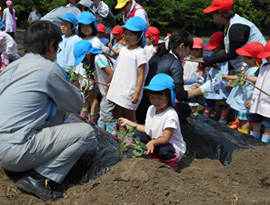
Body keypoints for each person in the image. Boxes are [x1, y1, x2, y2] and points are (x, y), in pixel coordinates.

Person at [0, 20, 97, 201]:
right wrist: (76, 87)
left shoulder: (11, 67)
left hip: (2, 147)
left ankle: (29, 162)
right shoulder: (48, 69)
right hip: (15, 152)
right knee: (86, 133)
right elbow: (76, 105)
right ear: (51, 46)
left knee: (53, 107)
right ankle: (39, 177)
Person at [137, 29, 216, 124]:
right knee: (186, 109)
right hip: (155, 107)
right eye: (188, 49)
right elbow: (181, 95)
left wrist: (187, 81)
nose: (188, 53)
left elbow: (162, 77)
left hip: (142, 107)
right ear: (182, 46)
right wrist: (202, 89)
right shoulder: (175, 62)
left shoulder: (158, 56)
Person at [119, 73, 186, 171]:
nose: (155, 101)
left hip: (170, 145)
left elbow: (166, 138)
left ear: (168, 97)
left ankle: (170, 164)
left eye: (159, 98)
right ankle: (154, 155)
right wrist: (128, 122)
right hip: (155, 140)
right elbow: (146, 129)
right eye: (152, 97)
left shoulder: (170, 115)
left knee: (163, 151)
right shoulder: (151, 109)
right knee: (136, 135)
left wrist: (152, 143)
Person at [106, 16, 148, 133]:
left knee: (130, 117)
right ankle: (122, 138)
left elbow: (141, 75)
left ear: (139, 36)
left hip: (130, 90)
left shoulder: (140, 53)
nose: (127, 37)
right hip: (120, 88)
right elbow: (119, 68)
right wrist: (112, 82)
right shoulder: (123, 50)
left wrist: (137, 92)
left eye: (131, 34)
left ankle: (131, 140)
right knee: (121, 116)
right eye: (126, 33)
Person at [202, 0, 266, 71]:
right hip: (249, 67)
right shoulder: (229, 25)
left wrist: (211, 61)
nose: (213, 17)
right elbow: (226, 51)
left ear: (220, 13)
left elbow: (233, 54)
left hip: (260, 66)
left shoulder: (237, 27)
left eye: (212, 13)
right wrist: (209, 59)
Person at [74, 40, 117, 135]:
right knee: (102, 114)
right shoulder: (94, 61)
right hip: (107, 92)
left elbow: (111, 74)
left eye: (83, 59)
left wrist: (106, 91)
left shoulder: (98, 59)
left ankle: (112, 134)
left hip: (112, 91)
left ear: (88, 55)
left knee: (106, 110)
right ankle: (100, 134)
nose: (83, 62)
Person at [222, 42, 264, 134]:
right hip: (242, 96)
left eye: (245, 56)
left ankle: (243, 134)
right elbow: (240, 77)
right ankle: (241, 131)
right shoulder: (247, 67)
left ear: (252, 58)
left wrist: (253, 99)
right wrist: (229, 77)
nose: (243, 58)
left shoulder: (257, 70)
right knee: (241, 117)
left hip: (247, 98)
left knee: (245, 120)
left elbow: (259, 82)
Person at [76, 11, 102, 123]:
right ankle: (83, 117)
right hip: (81, 74)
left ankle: (92, 118)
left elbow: (93, 59)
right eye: (82, 26)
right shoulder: (79, 40)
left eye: (88, 26)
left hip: (91, 74)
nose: (85, 29)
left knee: (93, 97)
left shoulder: (96, 41)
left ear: (93, 26)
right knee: (84, 97)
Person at [243, 40, 270, 142]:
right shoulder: (263, 66)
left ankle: (263, 145)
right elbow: (259, 79)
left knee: (268, 125)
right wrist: (248, 78)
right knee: (256, 121)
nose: (267, 58)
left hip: (268, 102)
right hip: (258, 100)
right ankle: (254, 141)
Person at [203, 32, 232, 124]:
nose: (213, 50)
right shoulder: (212, 57)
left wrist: (230, 81)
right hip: (212, 83)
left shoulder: (228, 58)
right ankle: (204, 119)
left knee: (223, 104)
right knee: (209, 102)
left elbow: (231, 68)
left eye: (215, 48)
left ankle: (222, 121)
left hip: (223, 84)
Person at [183, 37, 205, 108]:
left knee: (193, 104)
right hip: (184, 85)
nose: (194, 52)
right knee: (183, 103)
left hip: (193, 87)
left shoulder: (200, 61)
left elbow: (201, 73)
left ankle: (192, 117)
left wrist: (198, 84)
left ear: (201, 51)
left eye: (197, 50)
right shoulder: (185, 59)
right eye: (192, 50)